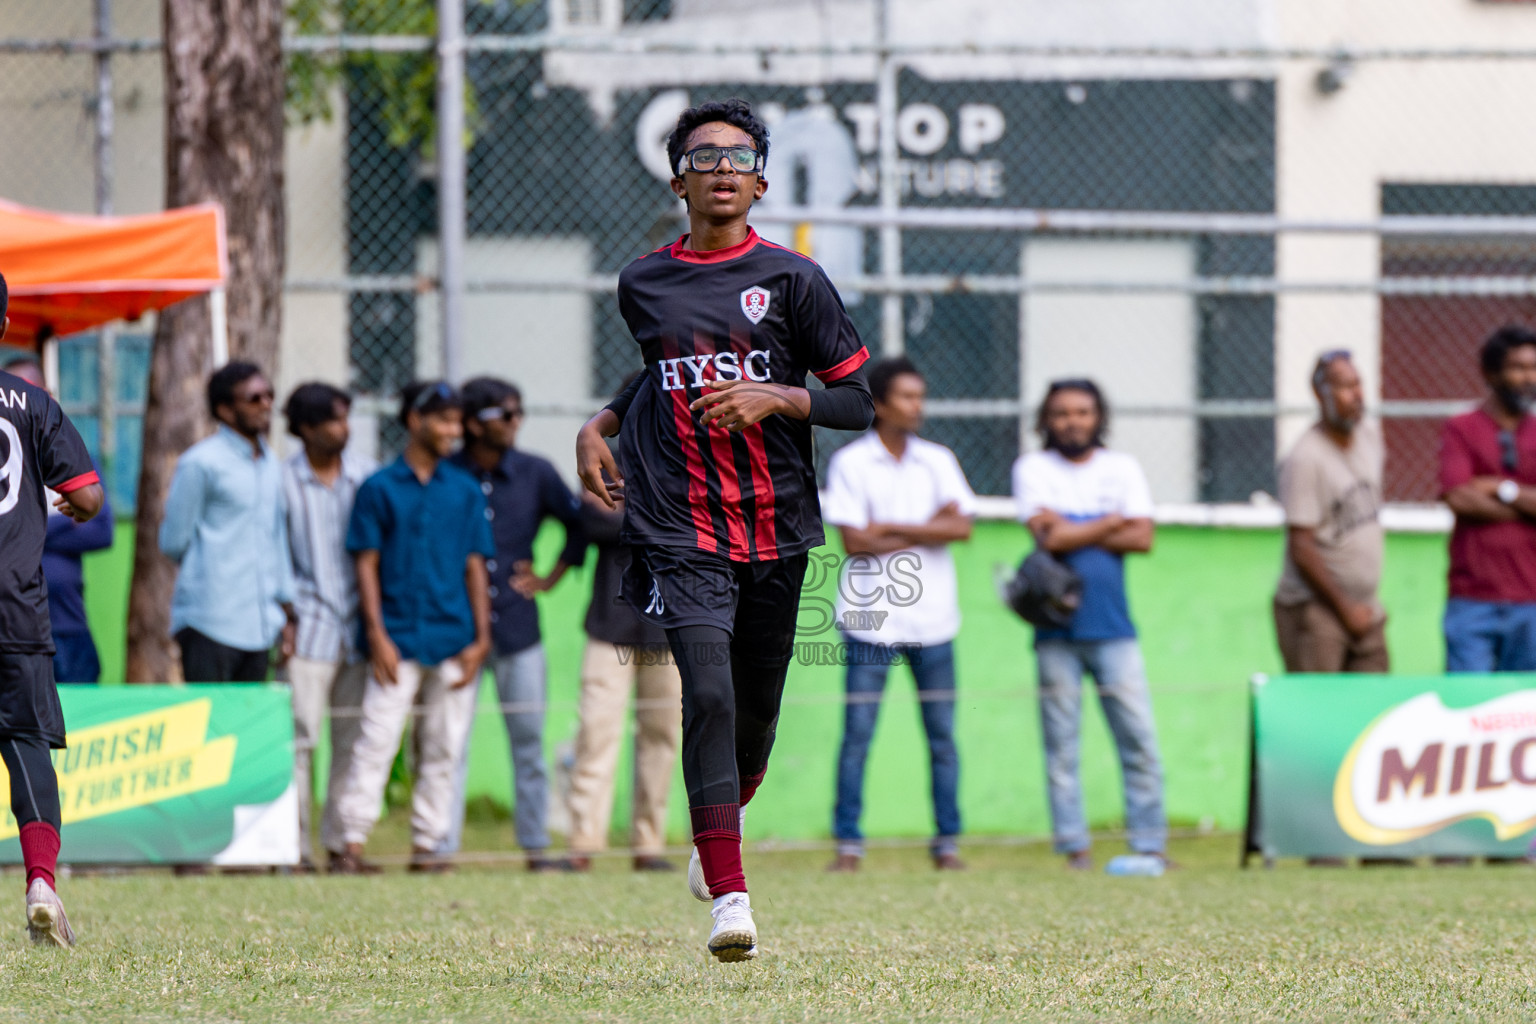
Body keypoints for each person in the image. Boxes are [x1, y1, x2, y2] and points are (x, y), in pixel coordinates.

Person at [575, 98, 874, 962]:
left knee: (755, 720)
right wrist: (599, 423)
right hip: (679, 525)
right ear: (678, 179)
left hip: (777, 528)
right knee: (703, 695)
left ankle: (723, 819)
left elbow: (856, 401)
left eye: (738, 156)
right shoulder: (643, 281)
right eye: (703, 156)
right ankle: (730, 898)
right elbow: (656, 375)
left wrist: (780, 395)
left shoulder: (796, 280)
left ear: (761, 181)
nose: (721, 168)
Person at [331, 380, 493, 874]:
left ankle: (428, 846)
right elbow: (366, 565)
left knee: (444, 746)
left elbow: (475, 566)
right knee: (376, 741)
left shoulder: (463, 490)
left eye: (457, 420)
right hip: (395, 640)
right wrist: (376, 634)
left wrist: (482, 639)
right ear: (414, 421)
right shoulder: (378, 487)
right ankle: (348, 845)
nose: (454, 430)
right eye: (443, 420)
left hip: (454, 639)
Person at [821, 356, 976, 873]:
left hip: (934, 622)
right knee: (858, 736)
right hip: (871, 621)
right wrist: (924, 526)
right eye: (907, 397)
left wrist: (888, 527)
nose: (918, 406)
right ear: (881, 403)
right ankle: (848, 844)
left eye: (920, 396)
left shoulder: (939, 460)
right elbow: (855, 542)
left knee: (943, 738)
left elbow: (961, 529)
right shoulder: (851, 463)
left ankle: (947, 842)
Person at [1013, 379, 1169, 871]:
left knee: (1139, 738)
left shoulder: (1121, 468)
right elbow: (1047, 535)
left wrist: (1071, 527)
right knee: (1061, 746)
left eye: (1082, 412)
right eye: (1061, 413)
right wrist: (1109, 523)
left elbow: (1143, 537)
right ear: (1046, 420)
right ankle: (1074, 847)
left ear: (1099, 418)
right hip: (1054, 632)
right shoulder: (1033, 468)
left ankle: (1149, 845)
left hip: (1114, 629)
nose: (1072, 421)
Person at [442, 377, 587, 871]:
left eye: (518, 412)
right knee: (448, 742)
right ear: (473, 423)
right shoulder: (446, 473)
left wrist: (549, 578)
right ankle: (439, 849)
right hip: (455, 630)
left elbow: (579, 522)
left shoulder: (535, 472)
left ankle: (535, 847)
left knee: (528, 741)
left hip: (521, 630)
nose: (515, 422)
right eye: (504, 414)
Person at [0, 272, 106, 945]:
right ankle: (41, 882)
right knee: (25, 742)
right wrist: (63, 502)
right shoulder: (32, 402)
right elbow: (89, 497)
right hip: (15, 603)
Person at [566, 411, 683, 873]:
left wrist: (631, 510)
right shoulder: (604, 458)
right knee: (596, 731)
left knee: (662, 735)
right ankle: (583, 844)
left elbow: (693, 531)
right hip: (609, 623)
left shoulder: (689, 460)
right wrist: (662, 512)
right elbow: (594, 525)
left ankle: (648, 845)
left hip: (670, 622)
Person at [280, 382, 373, 872]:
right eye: (334, 420)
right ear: (306, 429)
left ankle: (341, 846)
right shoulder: (282, 481)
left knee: (351, 741)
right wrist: (284, 617)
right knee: (300, 741)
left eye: (346, 417)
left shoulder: (365, 475)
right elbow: (271, 556)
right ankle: (293, 851)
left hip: (360, 631)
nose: (345, 428)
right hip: (307, 629)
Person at [160, 362, 296, 683]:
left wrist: (287, 611)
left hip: (261, 626)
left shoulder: (271, 464)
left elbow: (275, 540)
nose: (266, 405)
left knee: (247, 730)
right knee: (213, 728)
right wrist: (216, 568)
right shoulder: (201, 463)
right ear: (225, 408)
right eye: (254, 398)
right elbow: (173, 541)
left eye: (269, 395)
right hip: (210, 621)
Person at [1273, 351, 1388, 674]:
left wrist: (1367, 604)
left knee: (1374, 710)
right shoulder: (1305, 458)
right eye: (1344, 387)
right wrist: (1345, 608)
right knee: (1321, 715)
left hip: (1365, 610)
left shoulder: (1370, 438)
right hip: (1317, 608)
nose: (1356, 395)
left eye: (1358, 383)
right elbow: (1302, 547)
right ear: (1320, 394)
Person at [3, 357, 114, 684]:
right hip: (14, 626)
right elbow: (84, 514)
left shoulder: (72, 457)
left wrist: (22, 530)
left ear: (46, 396)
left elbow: (100, 531)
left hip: (68, 623)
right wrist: (62, 524)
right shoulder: (6, 457)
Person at [1440, 325, 1536, 672]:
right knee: (1469, 709)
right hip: (1472, 601)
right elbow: (1458, 497)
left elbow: (1474, 492)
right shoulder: (1462, 429)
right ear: (1491, 373)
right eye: (1518, 368)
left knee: (1527, 714)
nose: (1529, 377)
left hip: (1531, 600)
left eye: (1534, 368)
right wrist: (1526, 505)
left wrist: (1499, 488)